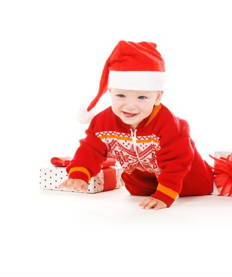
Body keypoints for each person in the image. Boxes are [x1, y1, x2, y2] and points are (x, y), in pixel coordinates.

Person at [59, 40, 213, 209]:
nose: (130, 106)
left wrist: (164, 195)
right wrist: (79, 175)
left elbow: (177, 161)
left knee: (188, 179)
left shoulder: (168, 124)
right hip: (142, 188)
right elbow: (91, 150)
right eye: (121, 96)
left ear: (158, 97)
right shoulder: (103, 122)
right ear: (110, 92)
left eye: (142, 97)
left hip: (187, 185)